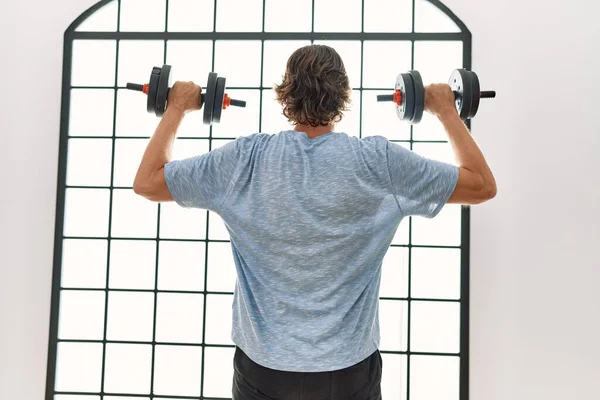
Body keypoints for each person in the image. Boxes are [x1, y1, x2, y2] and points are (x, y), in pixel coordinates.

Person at [133, 44, 496, 399]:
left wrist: (178, 106)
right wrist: (447, 111)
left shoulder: (244, 160)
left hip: (264, 368)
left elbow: (148, 182)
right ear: (343, 95)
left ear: (284, 94)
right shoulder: (379, 162)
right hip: (349, 370)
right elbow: (481, 185)